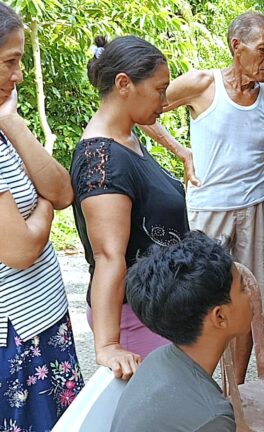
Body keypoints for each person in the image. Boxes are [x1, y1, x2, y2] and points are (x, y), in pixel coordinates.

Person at [140, 12, 264, 384]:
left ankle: (239, 389)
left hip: (257, 206)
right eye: (263, 50)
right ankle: (199, 387)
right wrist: (180, 152)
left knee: (250, 299)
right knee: (199, 300)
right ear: (236, 46)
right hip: (208, 208)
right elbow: (143, 109)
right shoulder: (202, 84)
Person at [71, 35, 189, 380]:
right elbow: (108, 256)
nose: (165, 102)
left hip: (158, 310)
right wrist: (108, 345)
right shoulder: (103, 160)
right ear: (124, 84)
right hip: (135, 319)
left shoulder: (129, 136)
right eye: (159, 89)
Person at [0, 4, 83, 428]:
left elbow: (64, 189)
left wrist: (11, 121)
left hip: (41, 316)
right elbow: (21, 248)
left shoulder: (3, 126)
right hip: (14, 333)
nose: (18, 75)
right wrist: (43, 206)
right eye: (9, 62)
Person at [111, 231, 252, 432]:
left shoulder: (160, 359)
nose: (250, 296)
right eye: (243, 289)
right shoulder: (209, 417)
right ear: (219, 316)